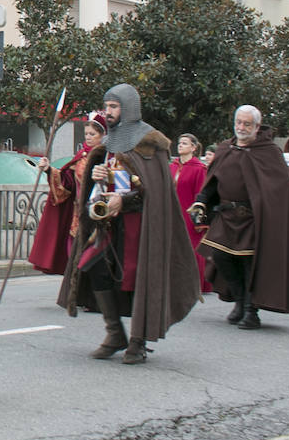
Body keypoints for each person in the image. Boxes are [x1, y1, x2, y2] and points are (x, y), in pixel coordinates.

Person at [59, 84, 200, 363]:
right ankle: (115, 333)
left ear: (129, 108)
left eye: (113, 107)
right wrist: (97, 175)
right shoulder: (108, 145)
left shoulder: (150, 144)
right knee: (92, 266)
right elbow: (104, 183)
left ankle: (138, 341)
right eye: (106, 106)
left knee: (139, 280)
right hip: (109, 226)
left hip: (141, 228)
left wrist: (124, 202)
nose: (108, 112)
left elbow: (155, 193)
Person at [191, 105, 289, 329]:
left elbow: (280, 188)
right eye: (238, 122)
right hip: (226, 216)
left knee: (249, 264)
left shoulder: (268, 152)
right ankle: (239, 300)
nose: (241, 127)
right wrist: (201, 201)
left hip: (253, 219)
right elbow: (213, 181)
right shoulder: (226, 149)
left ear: (257, 126)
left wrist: (267, 210)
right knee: (220, 256)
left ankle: (250, 311)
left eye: (247, 124)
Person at [29, 113, 107, 275]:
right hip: (78, 216)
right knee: (75, 258)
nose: (88, 138)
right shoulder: (81, 157)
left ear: (103, 135)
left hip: (100, 216)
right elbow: (67, 183)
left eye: (93, 134)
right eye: (86, 134)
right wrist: (49, 169)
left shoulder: (107, 157)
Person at [170, 133, 212, 293]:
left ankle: (195, 283)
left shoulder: (199, 169)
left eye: (185, 143)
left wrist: (200, 219)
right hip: (173, 212)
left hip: (189, 213)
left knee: (192, 248)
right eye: (179, 143)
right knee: (173, 248)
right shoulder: (171, 166)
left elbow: (201, 194)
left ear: (193, 148)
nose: (180, 145)